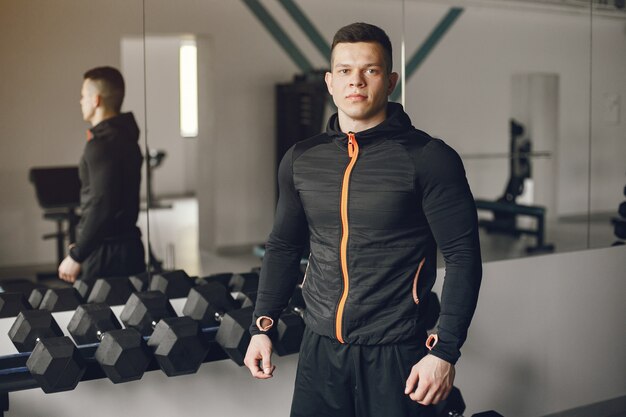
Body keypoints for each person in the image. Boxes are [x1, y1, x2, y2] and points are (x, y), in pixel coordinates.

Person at [244, 22, 482, 417]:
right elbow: (283, 246)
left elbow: (463, 257)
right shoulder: (302, 159)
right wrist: (261, 327)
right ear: (329, 82)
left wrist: (445, 350)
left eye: (369, 70)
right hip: (320, 350)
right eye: (345, 71)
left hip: (397, 353)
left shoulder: (429, 158)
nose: (356, 81)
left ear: (389, 81)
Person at [58, 66, 145, 284]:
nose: (80, 101)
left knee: (96, 317)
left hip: (107, 256)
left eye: (83, 96)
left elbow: (101, 205)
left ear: (96, 100)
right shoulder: (127, 138)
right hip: (128, 249)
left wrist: (77, 255)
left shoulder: (101, 145)